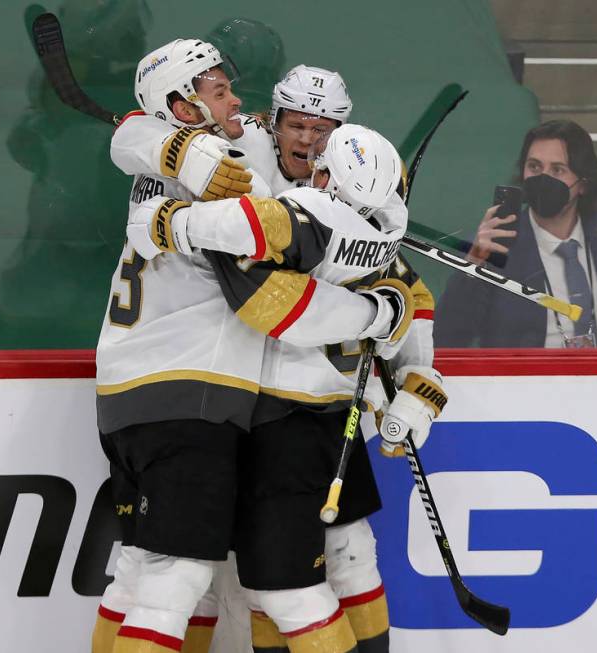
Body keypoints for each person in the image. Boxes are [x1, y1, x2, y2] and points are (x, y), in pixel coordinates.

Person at [94, 43, 416, 653]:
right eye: (219, 90)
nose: (309, 140)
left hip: (148, 387)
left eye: (324, 131)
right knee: (196, 579)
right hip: (196, 389)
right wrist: (378, 312)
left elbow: (135, 138)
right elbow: (271, 303)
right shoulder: (235, 160)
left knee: (152, 571)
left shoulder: (202, 155)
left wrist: (415, 372)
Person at [434, 119, 597, 348]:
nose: (543, 178)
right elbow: (447, 337)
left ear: (583, 184)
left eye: (557, 170)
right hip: (527, 381)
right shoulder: (496, 245)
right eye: (535, 167)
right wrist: (474, 265)